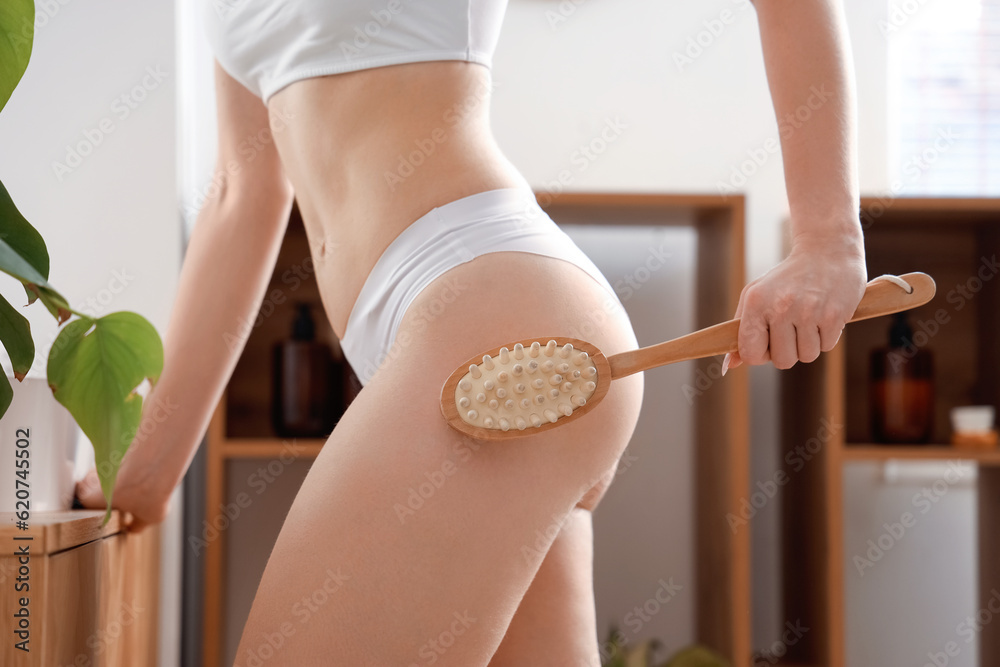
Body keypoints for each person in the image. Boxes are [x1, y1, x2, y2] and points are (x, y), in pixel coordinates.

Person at [75, 0, 867, 664]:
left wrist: (829, 240)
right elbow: (240, 192)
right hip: (437, 338)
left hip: (494, 324)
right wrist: (144, 470)